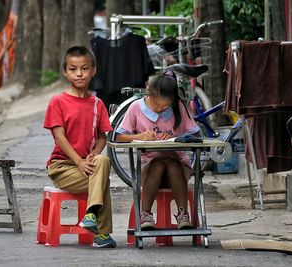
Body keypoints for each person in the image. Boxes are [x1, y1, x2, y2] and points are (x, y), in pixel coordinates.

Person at [44, 46, 116, 248]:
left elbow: (102, 137)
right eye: (73, 69)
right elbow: (60, 137)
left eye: (84, 68)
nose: (79, 73)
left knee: (102, 160)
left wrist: (92, 155)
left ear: (93, 70)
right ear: (65, 72)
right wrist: (79, 162)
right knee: (102, 181)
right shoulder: (58, 101)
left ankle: (91, 215)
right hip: (63, 167)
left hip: (87, 166)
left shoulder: (97, 104)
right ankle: (102, 234)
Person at [115, 70, 201, 230]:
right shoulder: (135, 108)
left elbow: (195, 134)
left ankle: (183, 214)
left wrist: (176, 139)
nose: (159, 109)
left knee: (172, 164)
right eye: (156, 105)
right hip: (148, 170)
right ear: (149, 94)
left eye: (164, 106)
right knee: (158, 163)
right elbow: (119, 136)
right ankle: (145, 214)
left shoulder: (179, 107)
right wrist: (141, 136)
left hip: (178, 170)